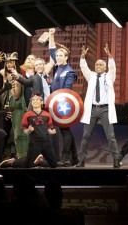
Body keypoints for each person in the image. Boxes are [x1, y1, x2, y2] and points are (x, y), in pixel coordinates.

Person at [76, 44, 121, 168]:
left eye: (101, 64)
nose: (98, 66)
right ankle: (81, 160)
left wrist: (110, 57)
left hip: (105, 109)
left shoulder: (109, 76)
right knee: (86, 136)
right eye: (96, 65)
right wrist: (82, 57)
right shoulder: (91, 76)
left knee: (110, 136)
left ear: (105, 67)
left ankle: (116, 159)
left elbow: (113, 68)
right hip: (92, 109)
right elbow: (83, 67)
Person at [43, 28, 79, 166]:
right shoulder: (58, 67)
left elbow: (67, 90)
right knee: (65, 130)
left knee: (64, 130)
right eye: (57, 56)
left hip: (63, 104)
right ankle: (74, 157)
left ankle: (66, 157)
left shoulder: (70, 71)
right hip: (55, 103)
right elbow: (52, 50)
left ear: (66, 58)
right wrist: (52, 35)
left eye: (60, 56)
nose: (57, 57)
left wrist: (59, 101)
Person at [0, 94, 58, 168]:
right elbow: (24, 130)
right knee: (28, 165)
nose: (35, 101)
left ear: (41, 102)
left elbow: (49, 129)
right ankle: (13, 162)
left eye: (37, 99)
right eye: (33, 100)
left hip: (46, 142)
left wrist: (51, 132)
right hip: (35, 143)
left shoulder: (47, 114)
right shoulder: (27, 115)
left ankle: (39, 161)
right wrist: (29, 130)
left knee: (54, 165)